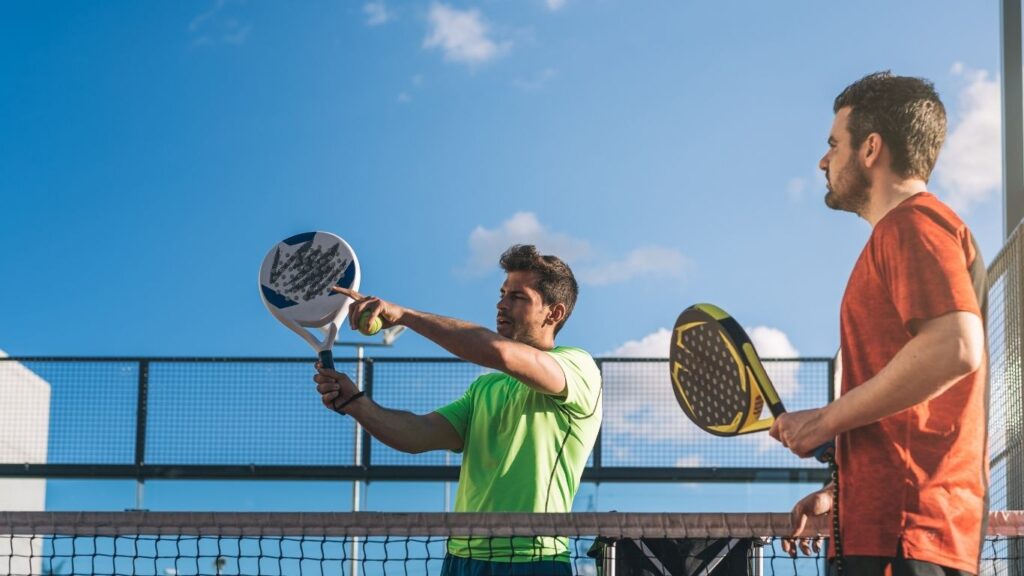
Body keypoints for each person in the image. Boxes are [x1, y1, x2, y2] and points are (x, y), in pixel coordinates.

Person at [769, 72, 988, 575]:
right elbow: (909, 411)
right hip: (885, 529)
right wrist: (840, 491)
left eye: (833, 144)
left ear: (871, 149)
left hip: (906, 536)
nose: (824, 160)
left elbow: (955, 346)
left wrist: (824, 421)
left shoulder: (914, 224)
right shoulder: (907, 233)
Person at [314, 244, 603, 576]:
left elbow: (503, 354)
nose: (501, 304)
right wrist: (356, 404)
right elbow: (417, 435)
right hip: (461, 557)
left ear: (554, 313)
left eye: (518, 297)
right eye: (502, 293)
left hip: (534, 556)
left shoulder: (578, 367)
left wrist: (404, 315)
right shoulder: (485, 389)